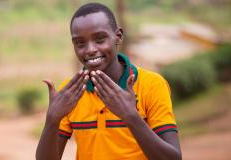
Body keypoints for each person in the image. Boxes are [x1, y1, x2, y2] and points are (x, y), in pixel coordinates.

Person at [36, 2, 181, 160]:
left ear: (118, 36)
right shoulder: (71, 93)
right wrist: (52, 120)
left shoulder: (152, 85)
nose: (90, 49)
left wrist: (131, 117)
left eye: (99, 39)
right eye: (80, 43)